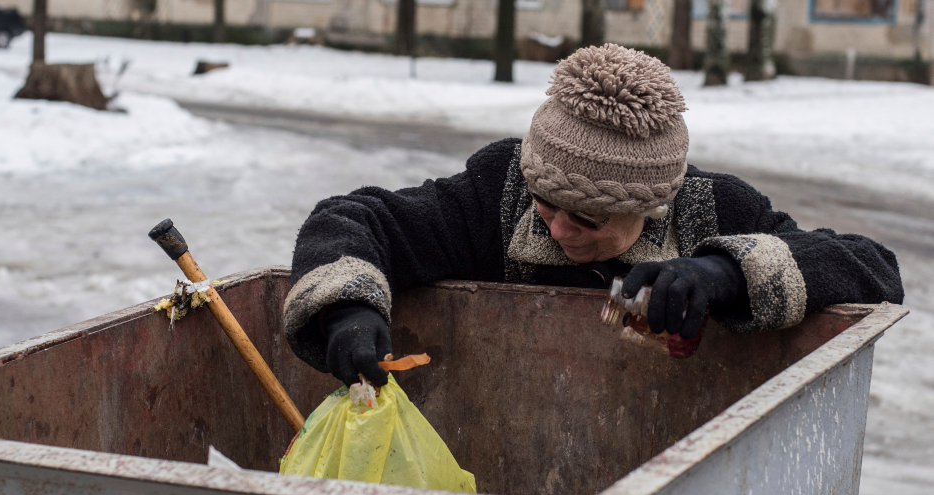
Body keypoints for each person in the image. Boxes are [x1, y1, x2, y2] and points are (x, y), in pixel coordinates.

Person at [282, 44, 904, 386]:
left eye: (586, 220)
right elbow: (355, 218)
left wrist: (726, 273)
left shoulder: (714, 209)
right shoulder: (497, 194)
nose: (557, 231)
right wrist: (349, 308)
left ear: (650, 205)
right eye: (547, 208)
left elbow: (873, 268)